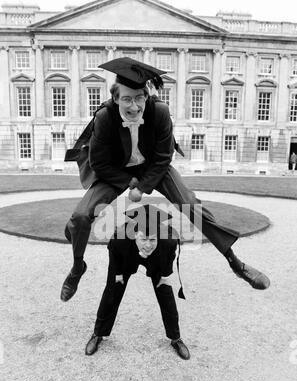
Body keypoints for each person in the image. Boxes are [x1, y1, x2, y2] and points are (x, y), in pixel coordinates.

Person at [61, 57, 270, 302]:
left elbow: (163, 158)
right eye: (127, 99)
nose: (134, 106)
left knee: (190, 203)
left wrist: (143, 185)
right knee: (80, 216)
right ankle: (77, 267)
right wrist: (130, 184)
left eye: (139, 98)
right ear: (116, 98)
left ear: (147, 96)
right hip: (116, 172)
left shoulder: (160, 112)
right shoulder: (105, 118)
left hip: (154, 168)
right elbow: (99, 163)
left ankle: (236, 263)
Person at [85, 204, 190, 360]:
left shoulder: (168, 241)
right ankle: (98, 333)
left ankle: (176, 338)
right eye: (144, 239)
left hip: (156, 259)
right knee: (112, 291)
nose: (148, 244)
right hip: (128, 255)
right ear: (135, 235)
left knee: (165, 293)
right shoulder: (119, 240)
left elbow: (169, 259)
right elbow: (114, 257)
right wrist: (118, 275)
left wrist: (165, 276)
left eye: (152, 239)